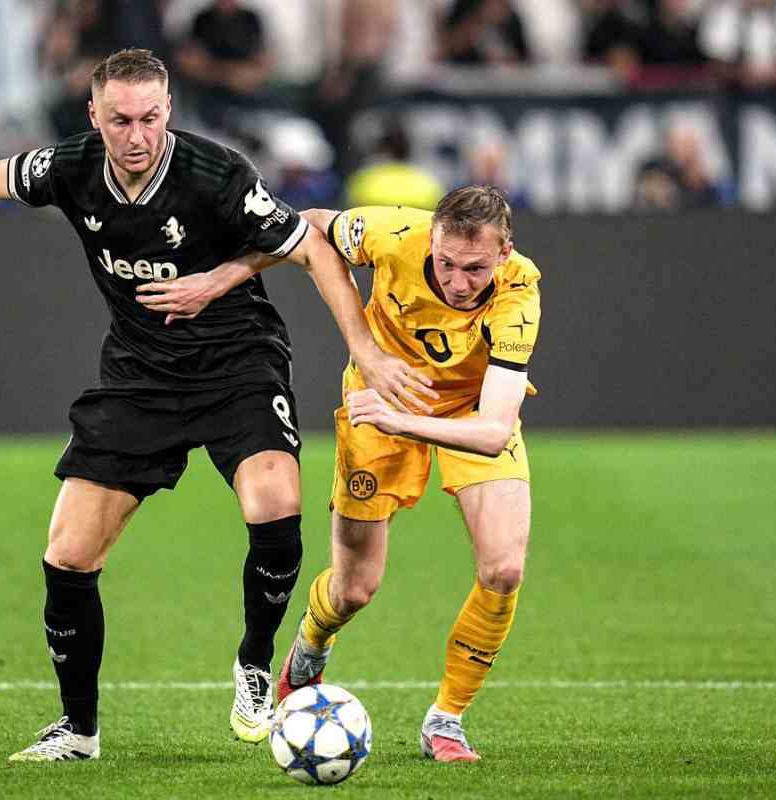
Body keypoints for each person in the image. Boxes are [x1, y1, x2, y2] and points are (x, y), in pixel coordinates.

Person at [0, 48, 430, 762]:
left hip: (236, 363)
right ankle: (79, 731)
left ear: (168, 112)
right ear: (95, 116)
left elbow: (310, 247)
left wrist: (362, 352)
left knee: (273, 502)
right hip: (140, 376)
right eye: (120, 119)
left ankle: (253, 663)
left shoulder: (217, 176)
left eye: (151, 117)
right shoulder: (70, 166)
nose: (138, 135)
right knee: (67, 556)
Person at [140, 186, 540, 764]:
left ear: (504, 254)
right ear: (432, 239)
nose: (456, 281)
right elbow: (304, 226)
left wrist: (400, 420)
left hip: (461, 414)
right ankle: (311, 642)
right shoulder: (392, 233)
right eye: (446, 263)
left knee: (504, 569)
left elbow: (495, 431)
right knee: (355, 587)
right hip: (376, 404)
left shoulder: (519, 292)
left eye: (474, 269)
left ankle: (446, 719)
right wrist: (223, 276)